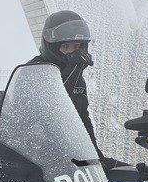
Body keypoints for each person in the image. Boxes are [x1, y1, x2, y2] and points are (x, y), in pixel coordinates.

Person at [26, 10, 115, 167]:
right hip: (38, 158)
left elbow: (83, 119)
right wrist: (74, 68)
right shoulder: (35, 70)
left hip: (71, 156)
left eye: (77, 47)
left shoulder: (76, 77)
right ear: (51, 46)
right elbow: (52, 110)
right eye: (66, 47)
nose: (73, 52)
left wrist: (95, 155)